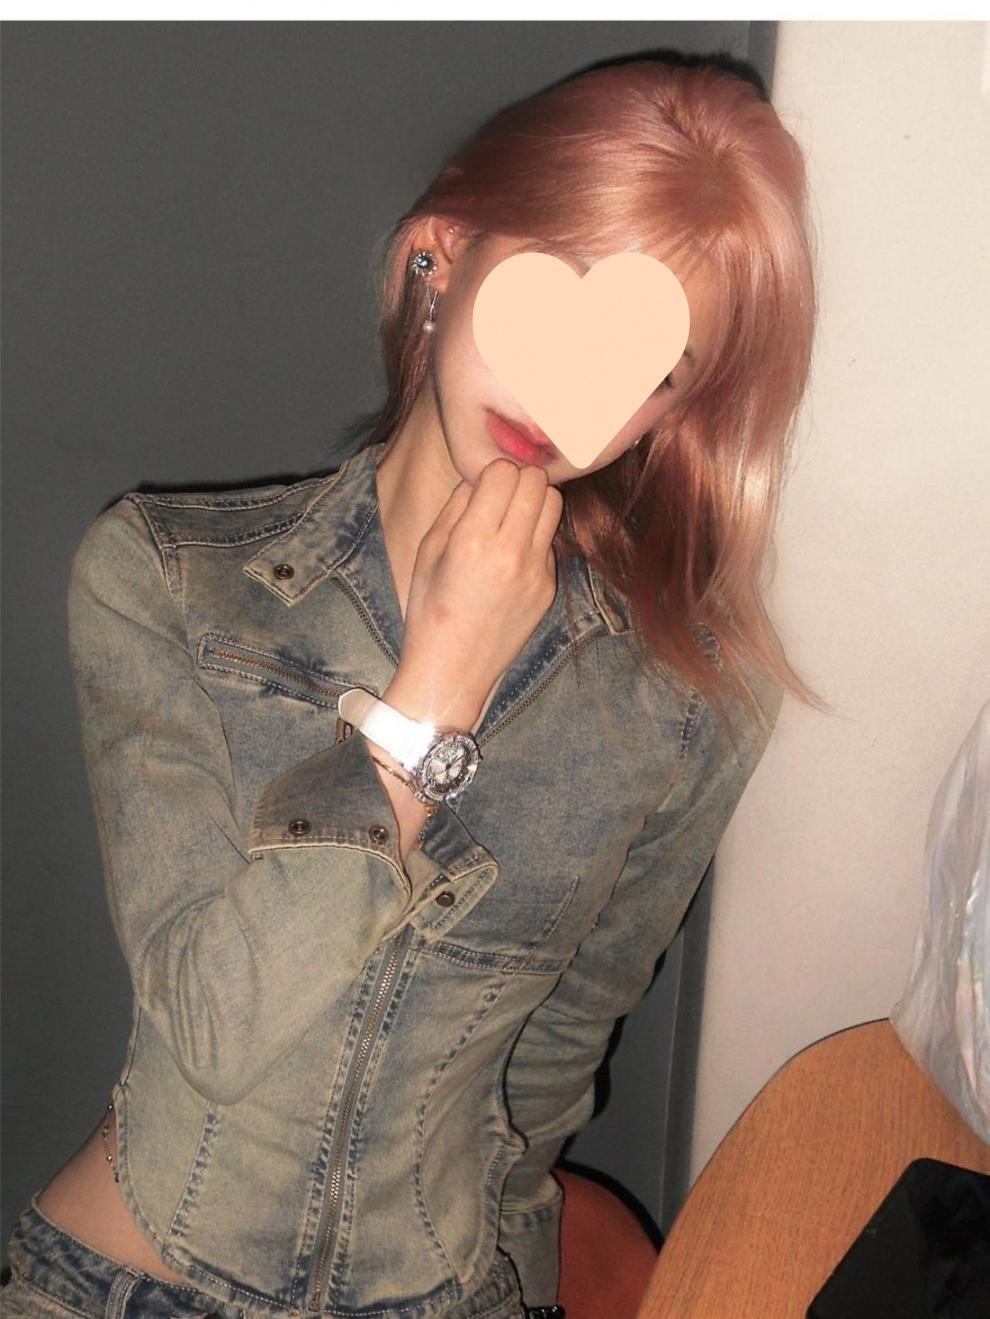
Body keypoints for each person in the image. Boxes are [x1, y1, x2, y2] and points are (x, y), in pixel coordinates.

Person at [2, 51, 827, 1319]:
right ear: (443, 252)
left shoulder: (685, 703)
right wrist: (434, 686)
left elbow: (549, 1073)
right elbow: (213, 1028)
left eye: (650, 363)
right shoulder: (167, 580)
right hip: (117, 1285)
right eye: (561, 292)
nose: (574, 386)